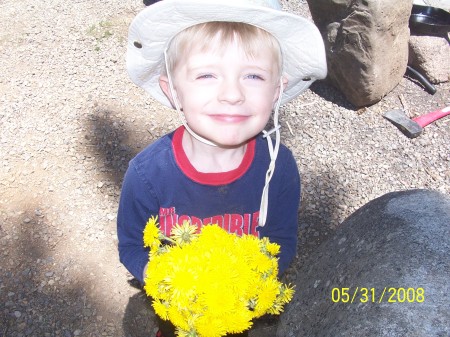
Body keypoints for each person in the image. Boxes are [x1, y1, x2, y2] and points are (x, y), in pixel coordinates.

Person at [118, 0, 326, 335]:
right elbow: (131, 245)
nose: (232, 93)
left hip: (241, 314)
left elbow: (281, 239)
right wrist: (166, 282)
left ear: (277, 91)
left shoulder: (279, 167)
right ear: (173, 92)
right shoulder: (147, 174)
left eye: (253, 75)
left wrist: (250, 285)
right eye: (206, 74)